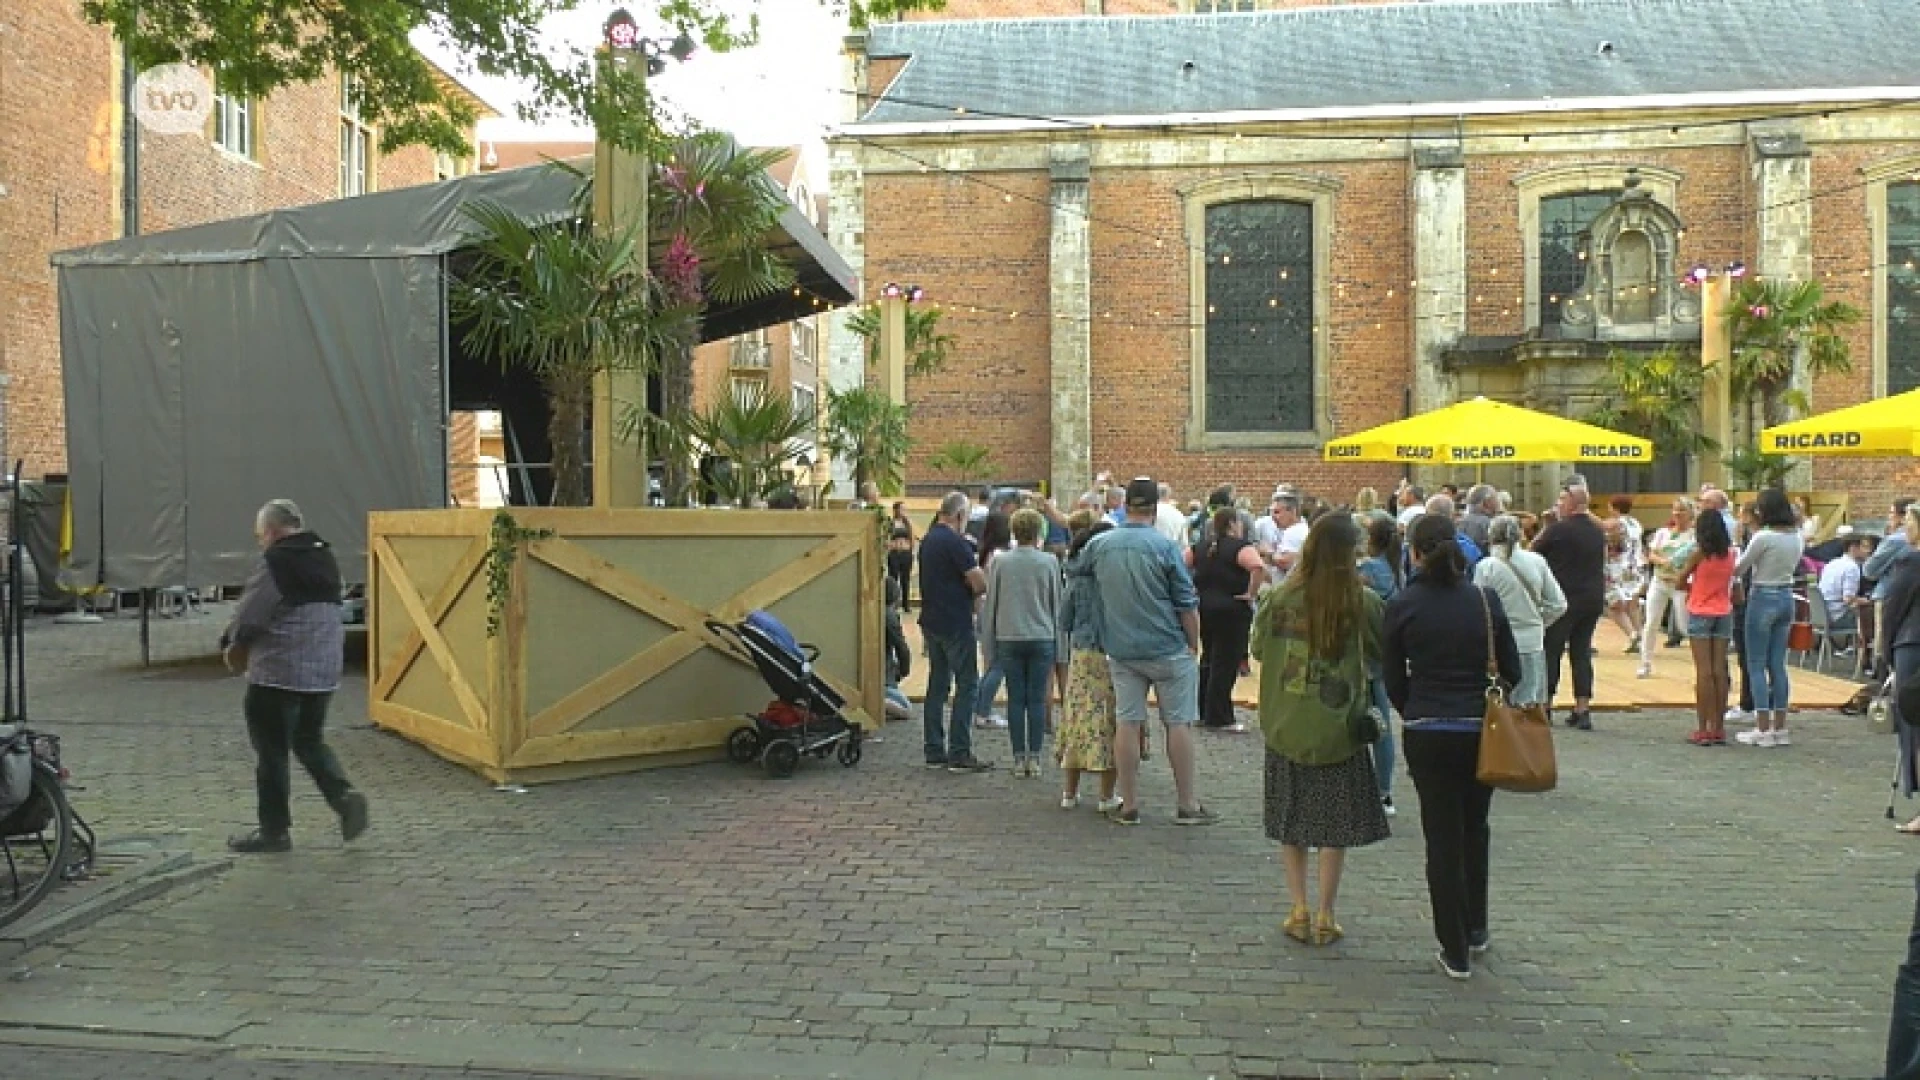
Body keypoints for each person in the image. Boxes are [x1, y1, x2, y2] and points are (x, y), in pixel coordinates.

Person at [1384, 513, 1522, 981]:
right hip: (1479, 727)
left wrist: (1413, 706)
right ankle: (1477, 926)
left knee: (1441, 838)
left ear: (1414, 553)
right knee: (1474, 828)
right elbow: (1512, 669)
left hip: (1427, 724)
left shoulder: (1403, 604)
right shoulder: (1483, 601)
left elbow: (1390, 678)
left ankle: (1454, 946)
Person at [1251, 512, 1391, 947]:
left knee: (1290, 820)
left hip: (1286, 721)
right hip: (1339, 727)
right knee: (1333, 828)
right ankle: (1327, 913)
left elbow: (1257, 647)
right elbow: (1380, 651)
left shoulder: (1278, 599)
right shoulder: (1362, 601)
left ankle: (1298, 908)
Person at [220, 499, 369, 853]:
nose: (261, 543)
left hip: (277, 673)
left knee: (271, 752)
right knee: (309, 741)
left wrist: (231, 643)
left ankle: (274, 831)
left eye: (260, 537)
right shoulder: (326, 559)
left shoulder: (277, 561)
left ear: (271, 532)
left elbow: (252, 614)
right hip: (323, 672)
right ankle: (345, 798)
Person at [1072, 477, 1217, 826]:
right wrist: (1193, 643)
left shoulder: (1100, 545)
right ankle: (1186, 804)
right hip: (1167, 647)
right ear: (1154, 508)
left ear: (1125, 506)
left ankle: (1130, 803)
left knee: (1127, 721)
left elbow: (1080, 583)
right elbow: (1186, 603)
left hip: (1121, 648)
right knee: (1178, 723)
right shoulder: (1165, 548)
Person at [980, 509, 1062, 777]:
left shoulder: (1001, 562)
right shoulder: (1050, 562)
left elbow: (991, 605)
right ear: (1038, 531)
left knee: (1015, 699)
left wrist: (988, 645)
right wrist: (1061, 647)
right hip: (1042, 635)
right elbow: (1056, 605)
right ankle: (1035, 757)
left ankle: (1018, 758)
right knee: (1037, 699)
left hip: (1009, 636)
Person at [917, 492, 992, 772]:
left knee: (937, 685)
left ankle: (934, 749)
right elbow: (979, 583)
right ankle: (960, 752)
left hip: (931, 620)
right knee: (967, 684)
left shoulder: (928, 540)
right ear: (960, 515)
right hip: (955, 622)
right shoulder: (956, 542)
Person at [1057, 518, 1121, 812]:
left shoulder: (1078, 578)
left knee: (1077, 719)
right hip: (1115, 652)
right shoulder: (1118, 580)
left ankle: (1070, 793)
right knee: (1112, 722)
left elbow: (1064, 620)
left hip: (1082, 654)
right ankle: (1107, 796)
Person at [1532, 482, 1607, 731]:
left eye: (1563, 499)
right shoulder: (1597, 531)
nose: (1558, 503)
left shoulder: (1558, 530)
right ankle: (1582, 707)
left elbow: (1533, 551)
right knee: (1581, 652)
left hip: (1564, 599)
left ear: (1573, 503)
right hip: (1592, 598)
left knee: (1551, 651)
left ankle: (1546, 705)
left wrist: (1547, 526)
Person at [1734, 487, 1805, 748]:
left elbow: (1739, 568)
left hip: (1763, 594)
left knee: (1755, 664)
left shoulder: (1763, 537)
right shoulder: (1797, 536)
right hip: (1786, 595)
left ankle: (1762, 727)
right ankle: (1780, 727)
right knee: (1777, 664)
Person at [1474, 514, 1566, 709]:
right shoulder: (1537, 562)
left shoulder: (1486, 567)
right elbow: (1559, 604)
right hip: (1532, 641)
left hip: (1498, 645)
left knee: (1500, 703)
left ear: (1490, 537)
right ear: (1520, 535)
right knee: (1529, 704)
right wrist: (1538, 621)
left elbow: (1479, 608)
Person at [1189, 507, 1265, 732]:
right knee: (1226, 663)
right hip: (1232, 610)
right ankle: (1220, 716)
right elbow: (1258, 567)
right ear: (1233, 524)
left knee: (1208, 659)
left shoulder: (1201, 547)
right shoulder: (1240, 548)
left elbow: (1181, 563)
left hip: (1205, 608)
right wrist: (1251, 594)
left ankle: (1203, 711)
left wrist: (1191, 589)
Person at [1678, 507, 1737, 746]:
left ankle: (1703, 728)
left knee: (1703, 672)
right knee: (1719, 670)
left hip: (1701, 610)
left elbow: (1682, 578)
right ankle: (1719, 727)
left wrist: (1692, 590)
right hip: (1723, 611)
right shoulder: (1730, 554)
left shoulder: (1699, 554)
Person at [1358, 512, 1404, 813]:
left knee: (1360, 720)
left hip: (1362, 650)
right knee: (1383, 723)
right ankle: (1384, 790)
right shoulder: (1397, 568)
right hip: (1385, 650)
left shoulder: (1368, 569)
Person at [1881, 509, 1920, 831]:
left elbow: (1894, 609)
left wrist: (1884, 651)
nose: (1904, 528)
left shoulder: (1910, 561)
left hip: (1912, 645)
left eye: (1909, 523)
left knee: (1913, 724)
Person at [1640, 498, 1698, 674]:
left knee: (1684, 624)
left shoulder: (1694, 536)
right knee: (1651, 622)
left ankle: (1699, 662)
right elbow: (1651, 554)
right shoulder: (1662, 533)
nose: (1677, 514)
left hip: (1680, 584)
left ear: (1690, 513)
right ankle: (1645, 662)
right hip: (1660, 581)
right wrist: (1663, 561)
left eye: (1682, 510)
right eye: (1675, 510)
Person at [1869, 498, 1917, 680]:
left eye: (1891, 513)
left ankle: (1883, 680)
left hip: (1890, 595)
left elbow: (1869, 569)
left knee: (1883, 643)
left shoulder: (1897, 544)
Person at [1602, 515, 1645, 655]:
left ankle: (1632, 634)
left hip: (1615, 569)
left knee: (1613, 606)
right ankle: (1640, 636)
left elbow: (1615, 549)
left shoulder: (1615, 525)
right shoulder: (1636, 523)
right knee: (1633, 604)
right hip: (1633, 567)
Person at [1820, 534, 1876, 637]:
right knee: (1876, 615)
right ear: (1853, 548)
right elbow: (1848, 599)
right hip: (1838, 618)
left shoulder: (1832, 563)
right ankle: (1867, 650)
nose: (1868, 551)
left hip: (1822, 616)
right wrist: (1869, 600)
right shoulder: (1852, 567)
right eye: (1864, 547)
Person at [883, 577, 914, 721]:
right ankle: (879, 702)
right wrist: (903, 670)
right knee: (905, 708)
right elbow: (901, 648)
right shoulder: (889, 616)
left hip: (884, 672)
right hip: (884, 677)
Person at [1460, 484, 1498, 553]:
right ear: (1487, 502)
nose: (1497, 504)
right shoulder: (1488, 524)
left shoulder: (1460, 521)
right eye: (1496, 500)